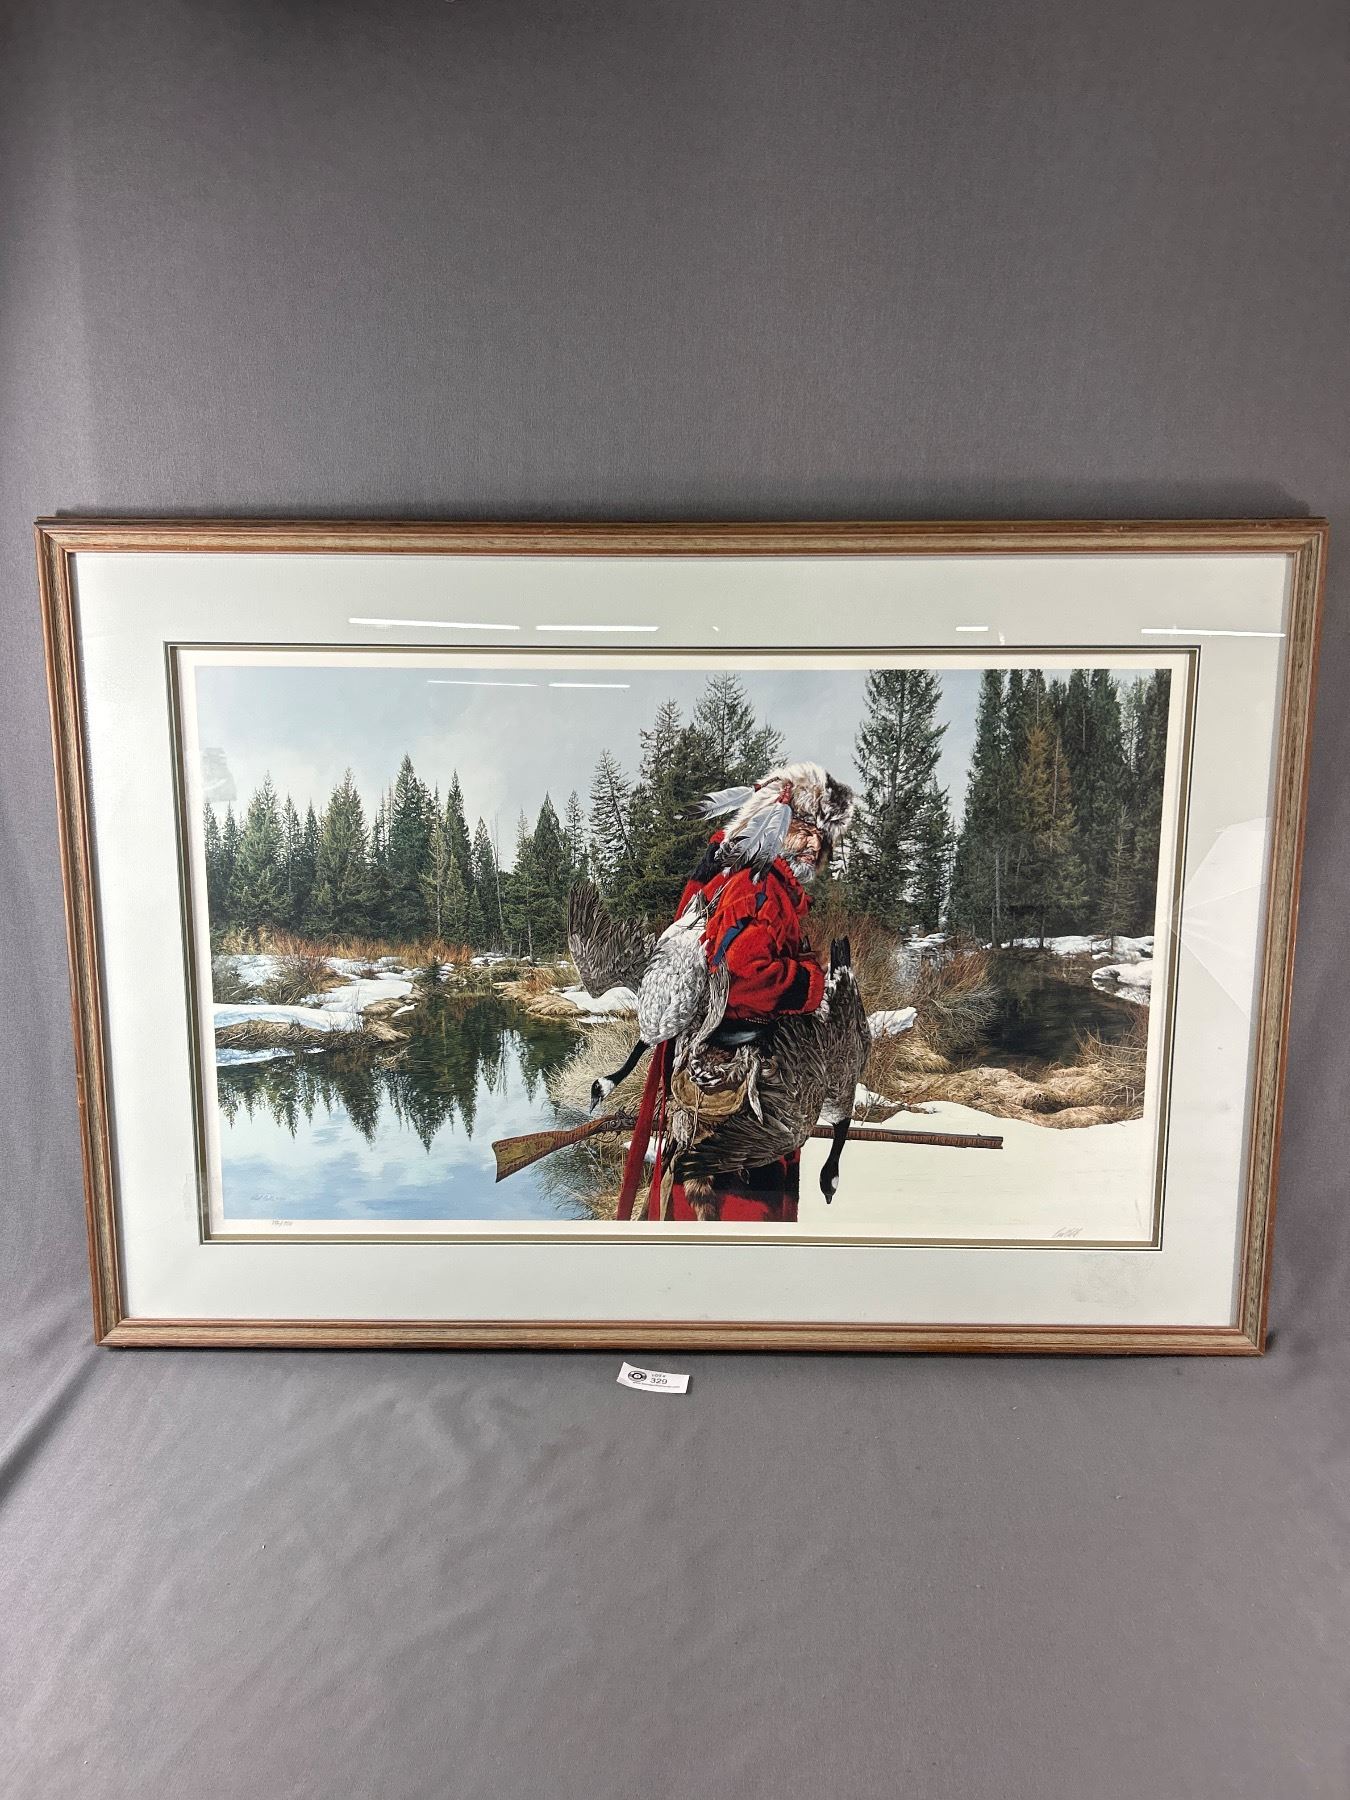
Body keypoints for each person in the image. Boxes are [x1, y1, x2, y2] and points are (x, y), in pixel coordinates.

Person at [617, 762, 855, 1224]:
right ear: (774, 825)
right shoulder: (758, 888)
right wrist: (811, 982)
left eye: (822, 838)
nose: (813, 846)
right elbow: (745, 978)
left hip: (733, 1081)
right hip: (740, 1087)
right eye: (803, 830)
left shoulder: (756, 883)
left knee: (708, 1209)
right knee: (739, 1219)